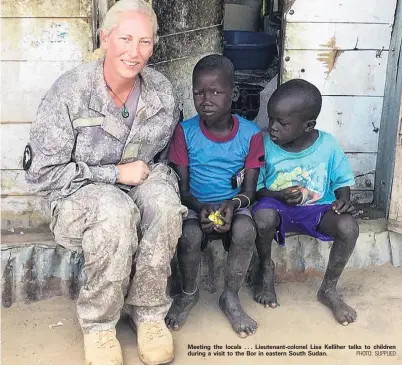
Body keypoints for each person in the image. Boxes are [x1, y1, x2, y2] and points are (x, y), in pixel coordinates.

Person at [24, 0, 187, 364]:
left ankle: (147, 313)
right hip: (75, 196)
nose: (134, 51)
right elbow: (43, 174)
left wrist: (152, 181)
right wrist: (113, 174)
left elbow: (161, 158)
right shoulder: (70, 92)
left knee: (163, 203)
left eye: (144, 41)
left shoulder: (160, 90)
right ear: (105, 37)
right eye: (125, 38)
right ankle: (99, 325)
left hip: (137, 185)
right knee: (115, 210)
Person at [166, 54, 265, 338]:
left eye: (215, 92)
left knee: (246, 230)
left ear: (233, 94)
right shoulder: (184, 132)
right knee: (189, 236)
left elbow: (249, 192)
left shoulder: (251, 134)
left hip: (234, 205)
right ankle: (188, 293)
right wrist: (201, 208)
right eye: (198, 92)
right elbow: (182, 190)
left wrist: (231, 206)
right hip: (196, 205)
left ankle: (230, 297)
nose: (205, 99)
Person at [252, 79, 359, 326]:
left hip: (318, 210)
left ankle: (329, 289)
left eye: (282, 123)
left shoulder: (328, 145)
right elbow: (256, 190)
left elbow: (342, 181)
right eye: (271, 120)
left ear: (308, 125)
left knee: (349, 227)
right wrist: (278, 195)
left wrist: (343, 202)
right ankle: (265, 270)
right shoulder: (264, 144)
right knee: (263, 217)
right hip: (277, 207)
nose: (273, 128)